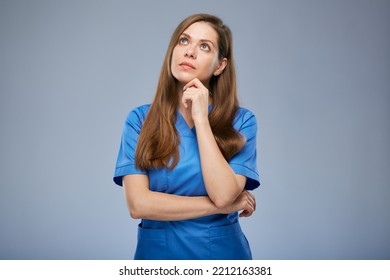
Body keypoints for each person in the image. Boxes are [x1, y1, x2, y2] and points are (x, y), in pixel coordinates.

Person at [113, 13, 260, 260]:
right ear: (172, 51)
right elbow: (138, 205)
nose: (190, 52)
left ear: (220, 65)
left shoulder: (241, 121)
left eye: (204, 46)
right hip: (158, 258)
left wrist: (201, 119)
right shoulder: (139, 120)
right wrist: (222, 207)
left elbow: (224, 194)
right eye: (183, 41)